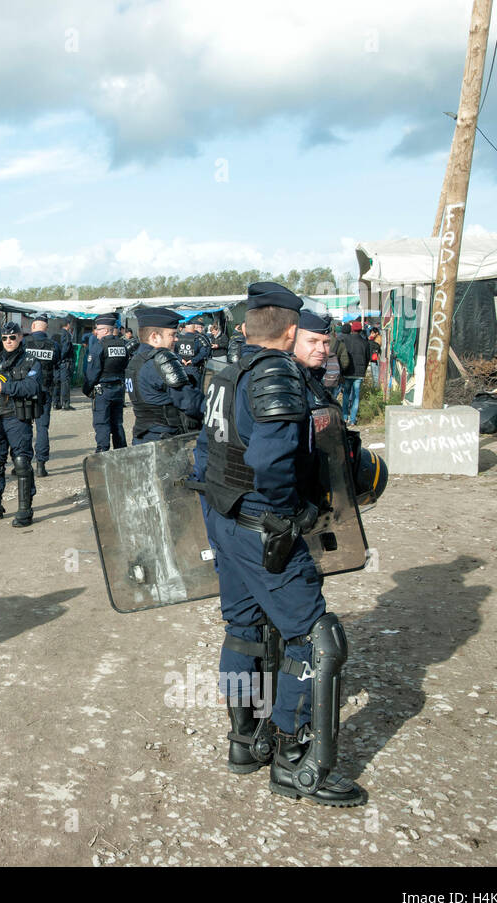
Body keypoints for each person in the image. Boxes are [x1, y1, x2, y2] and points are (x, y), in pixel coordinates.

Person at [192, 282, 365, 807]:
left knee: (244, 630)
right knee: (316, 640)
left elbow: (205, 453)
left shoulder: (228, 372)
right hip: (260, 526)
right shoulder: (275, 373)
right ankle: (296, 761)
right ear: (290, 328)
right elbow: (271, 463)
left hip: (226, 518)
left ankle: (246, 740)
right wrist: (289, 516)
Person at [0, 321, 42, 527]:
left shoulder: (29, 360)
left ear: (20, 337)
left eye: (13, 337)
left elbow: (32, 386)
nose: (9, 341)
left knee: (21, 462)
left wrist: (5, 388)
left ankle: (24, 510)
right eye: (5, 338)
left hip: (17, 417)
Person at [126, 308, 205, 444]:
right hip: (165, 441)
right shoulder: (160, 362)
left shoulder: (136, 360)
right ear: (154, 337)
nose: (176, 338)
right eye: (172, 334)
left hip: (143, 436)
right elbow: (191, 403)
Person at [82, 314, 129, 452]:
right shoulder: (123, 345)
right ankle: (122, 453)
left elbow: (92, 373)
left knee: (102, 424)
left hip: (103, 391)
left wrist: (87, 390)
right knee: (117, 424)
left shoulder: (99, 347)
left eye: (99, 329)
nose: (96, 332)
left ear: (107, 331)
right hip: (119, 390)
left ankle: (102, 454)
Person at [24, 314, 59, 477]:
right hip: (45, 390)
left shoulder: (24, 343)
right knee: (42, 427)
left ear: (33, 326)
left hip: (25, 391)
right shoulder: (54, 345)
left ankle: (22, 463)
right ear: (46, 328)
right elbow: (57, 364)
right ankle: (40, 465)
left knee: (23, 426)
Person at [339, 321, 371, 426]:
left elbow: (343, 356)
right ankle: (353, 420)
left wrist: (342, 370)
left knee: (346, 395)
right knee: (356, 396)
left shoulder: (346, 340)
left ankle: (344, 417)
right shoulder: (365, 342)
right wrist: (364, 370)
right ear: (361, 330)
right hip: (359, 374)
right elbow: (367, 359)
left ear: (352, 330)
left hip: (348, 371)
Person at [54, 319, 77, 411]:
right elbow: (66, 348)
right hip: (64, 362)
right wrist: (61, 358)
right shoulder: (67, 334)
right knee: (65, 383)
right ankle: (65, 404)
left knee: (56, 383)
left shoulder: (56, 334)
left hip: (56, 363)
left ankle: (56, 403)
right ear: (68, 325)